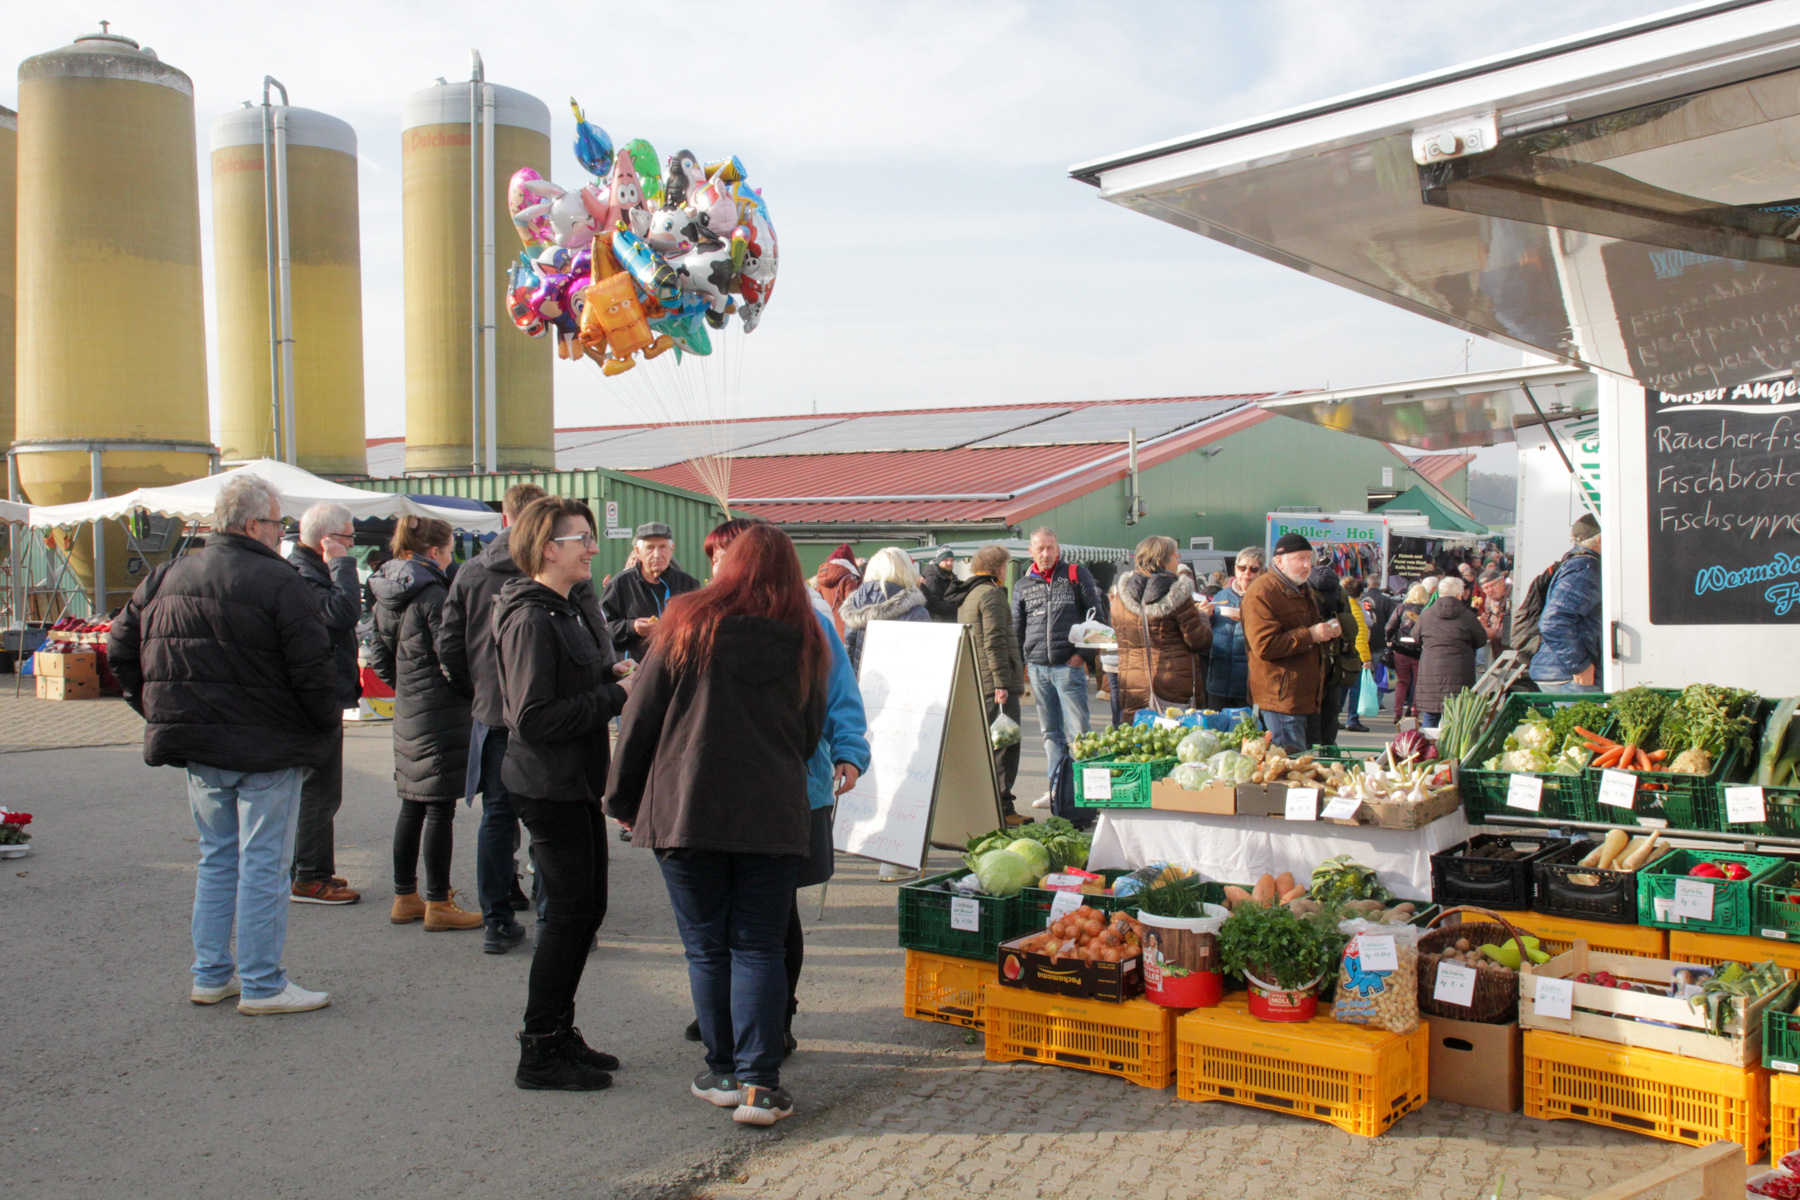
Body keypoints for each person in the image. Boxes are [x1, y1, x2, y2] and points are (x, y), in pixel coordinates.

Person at [605, 523, 828, 1127]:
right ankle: (760, 1085)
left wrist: (621, 798)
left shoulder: (685, 619)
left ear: (729, 565)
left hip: (685, 807)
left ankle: (723, 1071)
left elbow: (640, 716)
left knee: (707, 948)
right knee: (758, 945)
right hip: (772, 813)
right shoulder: (807, 639)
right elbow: (809, 736)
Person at [108, 474, 338, 1015]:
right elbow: (312, 670)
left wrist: (156, 708)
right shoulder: (280, 582)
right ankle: (261, 983)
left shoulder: (168, 573)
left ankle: (212, 973)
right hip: (267, 746)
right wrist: (324, 725)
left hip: (202, 744)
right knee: (261, 863)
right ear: (251, 525)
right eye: (276, 523)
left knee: (217, 859)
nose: (281, 533)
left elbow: (119, 648)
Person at [692, 518, 870, 1051]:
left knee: (773, 915)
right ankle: (728, 1015)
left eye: (728, 555)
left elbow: (840, 693)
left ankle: (775, 1016)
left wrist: (848, 751)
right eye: (714, 557)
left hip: (796, 784)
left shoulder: (808, 620)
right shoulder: (699, 617)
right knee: (726, 915)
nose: (720, 567)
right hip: (719, 789)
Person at [495, 497, 634, 1091]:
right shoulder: (530, 617)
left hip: (575, 781)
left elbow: (572, 681)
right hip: (547, 785)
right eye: (582, 538)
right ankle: (539, 1050)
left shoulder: (566, 610)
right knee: (571, 914)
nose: (592, 549)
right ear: (548, 548)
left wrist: (613, 676)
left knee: (587, 909)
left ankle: (558, 1028)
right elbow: (532, 716)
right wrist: (614, 698)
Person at [441, 482, 609, 954]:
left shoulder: (472, 571)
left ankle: (497, 919)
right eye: (582, 538)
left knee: (501, 818)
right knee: (550, 822)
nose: (591, 548)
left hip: (495, 712)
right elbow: (594, 637)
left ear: (505, 518)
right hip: (539, 719)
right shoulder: (544, 596)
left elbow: (450, 646)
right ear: (544, 538)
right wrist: (606, 684)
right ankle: (551, 916)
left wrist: (479, 690)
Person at [368, 516, 480, 933]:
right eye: (450, 551)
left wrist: (405, 687)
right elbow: (450, 654)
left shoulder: (384, 589)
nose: (451, 559)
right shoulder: (433, 593)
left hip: (409, 707)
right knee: (438, 809)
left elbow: (377, 652)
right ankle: (438, 900)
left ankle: (405, 896)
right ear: (434, 552)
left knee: (411, 804)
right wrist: (470, 691)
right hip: (440, 710)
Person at [288, 502, 362, 906]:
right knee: (319, 789)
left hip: (322, 690)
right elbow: (343, 612)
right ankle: (309, 876)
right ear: (328, 540)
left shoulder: (308, 571)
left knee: (319, 788)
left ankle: (312, 869)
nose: (352, 547)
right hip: (316, 694)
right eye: (348, 538)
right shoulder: (305, 574)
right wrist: (341, 564)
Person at [1011, 528, 1107, 808]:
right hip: (1038, 667)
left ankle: (1087, 793)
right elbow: (1018, 628)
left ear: (1058, 549)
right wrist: (1020, 666)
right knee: (1050, 733)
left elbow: (1097, 617)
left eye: (1050, 548)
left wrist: (1083, 656)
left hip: (1068, 666)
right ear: (1031, 551)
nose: (1045, 553)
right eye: (1040, 548)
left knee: (1079, 733)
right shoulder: (1023, 585)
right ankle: (1055, 790)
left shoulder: (1077, 575)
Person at [1241, 532, 1336, 752]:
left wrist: (1327, 631)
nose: (1306, 565)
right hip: (1280, 699)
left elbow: (1307, 632)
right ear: (1279, 561)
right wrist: (1311, 635)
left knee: (1299, 764)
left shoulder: (1301, 588)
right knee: (1286, 767)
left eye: (1308, 559)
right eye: (1299, 559)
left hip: (1300, 697)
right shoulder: (1262, 591)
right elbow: (1264, 645)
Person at [958, 543, 1026, 823]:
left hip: (978, 680)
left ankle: (987, 807)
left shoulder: (970, 594)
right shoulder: (992, 595)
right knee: (1005, 745)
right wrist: (1001, 683)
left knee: (990, 746)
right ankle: (1003, 809)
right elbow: (994, 640)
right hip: (996, 683)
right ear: (1000, 568)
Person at [1111, 534, 1213, 721]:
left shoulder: (1120, 596)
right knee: (1177, 741)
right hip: (1174, 679)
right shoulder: (1178, 592)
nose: (1178, 560)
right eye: (1176, 555)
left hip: (1132, 680)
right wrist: (1204, 616)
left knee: (1141, 741)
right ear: (1163, 559)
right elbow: (1199, 641)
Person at [601, 521, 700, 663]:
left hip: (677, 666)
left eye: (663, 547)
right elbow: (602, 629)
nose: (657, 554)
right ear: (637, 552)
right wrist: (632, 627)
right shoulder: (620, 584)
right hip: (636, 670)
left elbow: (700, 625)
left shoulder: (687, 584)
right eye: (650, 548)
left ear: (672, 549)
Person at [1530, 514, 1604, 693]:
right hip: (1568, 676)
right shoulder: (1585, 568)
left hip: (1558, 671)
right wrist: (1580, 664)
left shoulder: (1577, 563)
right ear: (1601, 539)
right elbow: (1553, 621)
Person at [839, 547, 931, 672]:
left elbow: (849, 652)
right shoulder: (916, 611)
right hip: (902, 687)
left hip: (860, 684)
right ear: (906, 570)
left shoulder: (855, 605)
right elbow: (923, 663)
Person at [1413, 576, 1487, 726]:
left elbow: (1415, 637)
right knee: (1455, 718)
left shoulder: (1426, 615)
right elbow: (1481, 640)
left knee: (1431, 714)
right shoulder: (1468, 617)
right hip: (1460, 671)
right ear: (1459, 595)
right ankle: (1451, 749)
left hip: (1430, 672)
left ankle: (1430, 748)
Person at [1307, 562, 1360, 748]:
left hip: (1312, 663)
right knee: (1331, 715)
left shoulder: (1304, 590)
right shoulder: (1341, 592)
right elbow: (1353, 628)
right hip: (1337, 664)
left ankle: (1313, 754)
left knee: (1312, 716)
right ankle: (1328, 751)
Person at [1205, 548, 1263, 711]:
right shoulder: (1222, 596)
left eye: (1253, 569)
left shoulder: (1264, 597)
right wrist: (1205, 616)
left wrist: (1247, 619)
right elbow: (1208, 632)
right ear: (1235, 568)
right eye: (1242, 568)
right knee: (1218, 731)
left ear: (1261, 572)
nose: (1246, 573)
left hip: (1249, 684)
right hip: (1218, 679)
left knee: (1247, 734)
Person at [1385, 583, 1430, 719]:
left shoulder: (1401, 608)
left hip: (1401, 648)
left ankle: (1397, 712)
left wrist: (1389, 640)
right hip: (1419, 650)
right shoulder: (1427, 610)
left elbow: (1389, 627)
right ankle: (1414, 712)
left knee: (1402, 681)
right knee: (1418, 682)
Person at [1340, 577, 1374, 734]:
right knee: (1355, 689)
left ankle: (1335, 717)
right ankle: (1352, 719)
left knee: (1342, 688)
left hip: (1343, 653)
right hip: (1355, 655)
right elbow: (1360, 634)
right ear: (1361, 592)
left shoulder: (1343, 604)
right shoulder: (1356, 608)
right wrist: (1366, 658)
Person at [811, 544, 861, 636]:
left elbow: (818, 600)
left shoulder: (820, 578)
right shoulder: (849, 577)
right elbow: (853, 605)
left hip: (826, 625)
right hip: (844, 628)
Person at [918, 547, 972, 622]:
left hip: (949, 621)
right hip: (940, 623)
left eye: (951, 560)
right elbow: (934, 605)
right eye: (946, 560)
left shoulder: (951, 577)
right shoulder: (932, 578)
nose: (949, 563)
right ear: (938, 561)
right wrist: (957, 606)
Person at [1476, 567, 1511, 662]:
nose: (1490, 590)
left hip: (1514, 657)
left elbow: (1517, 630)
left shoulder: (1514, 597)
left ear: (1502, 581)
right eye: (1486, 588)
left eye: (1493, 585)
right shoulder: (1488, 600)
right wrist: (1485, 625)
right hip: (1498, 655)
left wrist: (1493, 633)